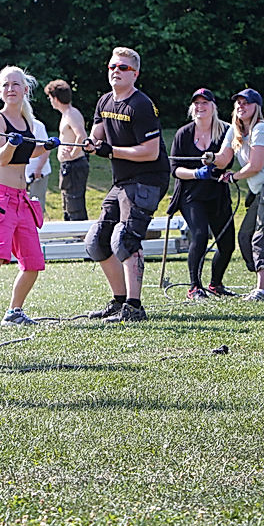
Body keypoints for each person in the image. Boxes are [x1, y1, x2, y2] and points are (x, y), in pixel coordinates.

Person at [82, 47, 171, 323]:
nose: (116, 72)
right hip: (121, 181)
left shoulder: (142, 105)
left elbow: (151, 151)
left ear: (135, 73)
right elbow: (96, 137)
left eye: (123, 68)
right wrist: (85, 144)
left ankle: (134, 307)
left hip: (148, 179)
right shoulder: (104, 102)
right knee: (96, 242)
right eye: (112, 67)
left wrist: (112, 151)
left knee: (126, 239)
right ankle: (119, 301)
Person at [0, 68, 54, 331]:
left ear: (26, 90)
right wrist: (13, 143)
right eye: (6, 85)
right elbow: (3, 157)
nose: (11, 88)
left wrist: (45, 146)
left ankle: (15, 312)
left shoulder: (29, 123)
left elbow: (27, 152)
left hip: (21, 197)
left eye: (16, 84)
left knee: (33, 262)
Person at [205, 89, 264, 302]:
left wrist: (234, 176)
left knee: (263, 236)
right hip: (261, 190)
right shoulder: (234, 131)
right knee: (245, 236)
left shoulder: (260, 129)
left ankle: (263, 289)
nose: (241, 106)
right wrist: (210, 158)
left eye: (246, 103)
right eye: (238, 103)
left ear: (257, 107)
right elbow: (223, 158)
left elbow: (255, 165)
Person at [167, 88, 234, 301]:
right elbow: (175, 169)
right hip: (191, 195)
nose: (200, 107)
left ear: (213, 106)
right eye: (196, 103)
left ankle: (216, 284)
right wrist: (196, 173)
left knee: (227, 243)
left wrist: (215, 162)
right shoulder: (183, 134)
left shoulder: (226, 131)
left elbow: (228, 161)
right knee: (199, 235)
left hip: (218, 194)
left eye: (205, 103)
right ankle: (194, 287)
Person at [45, 79, 90, 220]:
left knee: (74, 204)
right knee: (68, 204)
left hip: (75, 166)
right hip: (68, 166)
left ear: (56, 98)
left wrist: (72, 154)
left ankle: (80, 238)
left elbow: (82, 136)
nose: (50, 101)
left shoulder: (71, 114)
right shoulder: (66, 114)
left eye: (50, 97)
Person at [25, 116, 53, 208]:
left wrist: (39, 168)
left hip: (37, 172)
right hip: (21, 172)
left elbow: (46, 148)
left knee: (37, 203)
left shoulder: (38, 126)